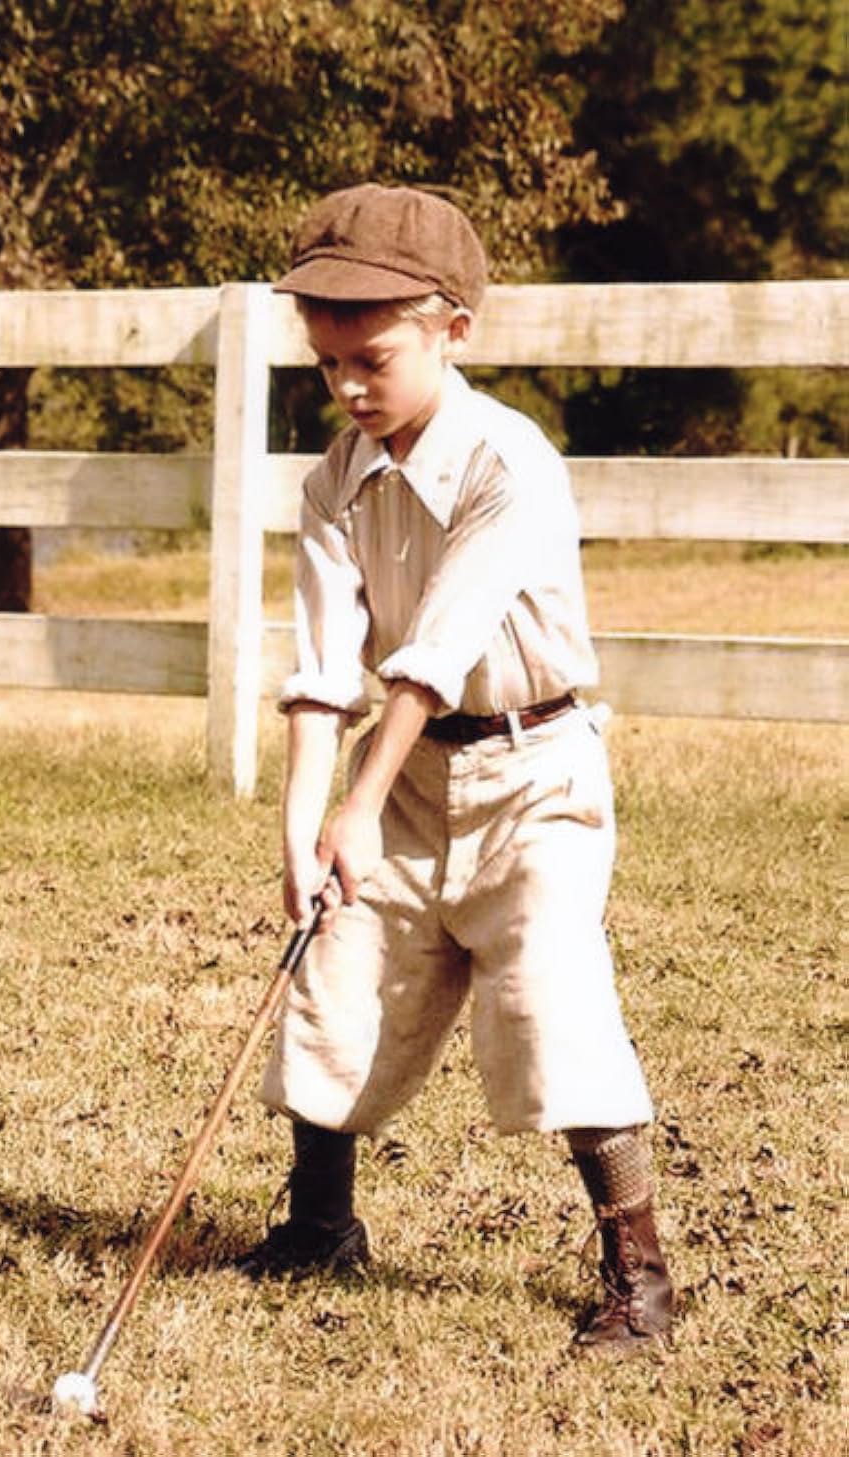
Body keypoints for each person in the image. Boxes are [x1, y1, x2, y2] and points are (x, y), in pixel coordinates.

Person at [238, 182, 674, 1352]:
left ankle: (637, 1272)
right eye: (326, 363)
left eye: (372, 360)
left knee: (547, 998)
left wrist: (356, 805)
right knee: (341, 971)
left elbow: (433, 653)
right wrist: (304, 827)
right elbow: (323, 671)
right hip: (413, 778)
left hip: (535, 774)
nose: (347, 387)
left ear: (454, 332)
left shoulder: (508, 462)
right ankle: (319, 1227)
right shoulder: (333, 481)